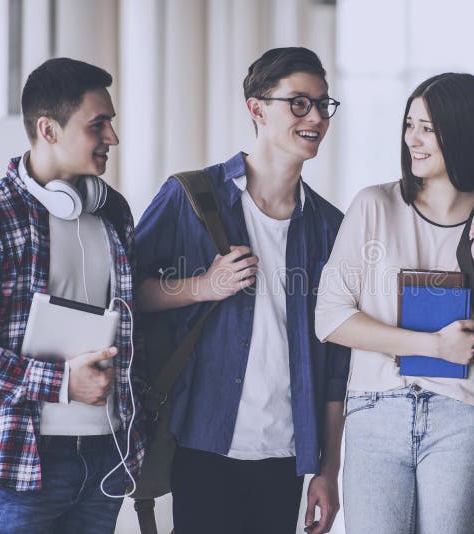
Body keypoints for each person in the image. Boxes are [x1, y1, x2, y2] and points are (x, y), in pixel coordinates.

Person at [134, 46, 350, 534]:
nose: (315, 116)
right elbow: (127, 295)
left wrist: (328, 469)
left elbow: (338, 364)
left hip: (287, 449)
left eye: (322, 104)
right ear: (256, 108)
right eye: (299, 103)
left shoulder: (331, 227)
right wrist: (201, 287)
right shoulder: (190, 196)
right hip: (201, 438)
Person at [0, 57, 147, 533]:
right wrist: (62, 383)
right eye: (98, 125)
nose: (112, 138)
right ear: (48, 128)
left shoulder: (112, 213)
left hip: (105, 455)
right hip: (23, 463)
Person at [314, 73, 474, 533]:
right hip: (375, 409)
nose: (413, 139)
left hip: (464, 413)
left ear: (462, 132)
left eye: (428, 128)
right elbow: (330, 318)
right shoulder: (373, 205)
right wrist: (432, 345)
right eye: (410, 124)